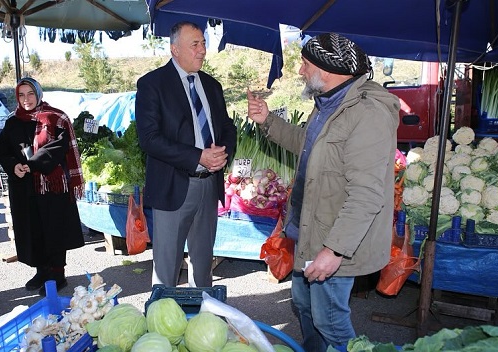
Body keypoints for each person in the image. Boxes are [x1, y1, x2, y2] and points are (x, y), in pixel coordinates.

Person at [247, 33, 399, 351]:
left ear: (326, 69)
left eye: (304, 64)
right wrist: (268, 122)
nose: (300, 71)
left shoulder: (367, 114)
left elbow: (367, 194)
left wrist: (334, 251)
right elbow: (309, 146)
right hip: (311, 231)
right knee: (304, 307)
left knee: (329, 320)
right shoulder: (330, 102)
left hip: (334, 238)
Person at [135, 21, 237, 288]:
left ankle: (203, 319)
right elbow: (149, 139)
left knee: (203, 267)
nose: (203, 50)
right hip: (173, 187)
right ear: (175, 49)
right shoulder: (152, 84)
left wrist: (221, 153)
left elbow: (227, 126)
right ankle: (161, 324)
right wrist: (197, 156)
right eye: (195, 44)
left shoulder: (212, 86)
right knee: (167, 270)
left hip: (209, 184)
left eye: (204, 43)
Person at [0, 77, 85, 296]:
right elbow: (3, 149)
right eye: (21, 95)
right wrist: (14, 165)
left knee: (53, 229)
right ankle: (41, 271)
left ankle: (57, 274)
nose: (26, 99)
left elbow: (58, 147)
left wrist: (32, 164)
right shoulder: (12, 122)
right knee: (31, 229)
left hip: (51, 185)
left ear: (38, 94)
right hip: (24, 186)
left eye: (30, 94)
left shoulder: (56, 118)